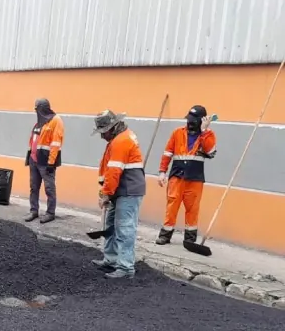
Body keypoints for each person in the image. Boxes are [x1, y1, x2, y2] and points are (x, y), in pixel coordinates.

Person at [90, 110, 146, 279]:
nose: (102, 136)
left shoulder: (121, 141)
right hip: (120, 190)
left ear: (112, 127)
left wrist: (105, 194)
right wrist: (107, 191)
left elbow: (114, 172)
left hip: (128, 191)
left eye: (104, 132)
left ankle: (126, 267)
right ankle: (111, 260)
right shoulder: (119, 138)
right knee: (111, 226)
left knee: (124, 228)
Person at [155, 105, 217, 245]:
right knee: (172, 207)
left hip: (195, 179)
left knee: (192, 209)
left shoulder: (208, 135)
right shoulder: (177, 133)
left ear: (202, 121)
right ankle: (165, 235)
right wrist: (162, 172)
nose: (190, 122)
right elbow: (167, 153)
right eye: (189, 119)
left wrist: (204, 131)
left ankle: (190, 239)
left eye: (193, 120)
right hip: (177, 176)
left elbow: (210, 152)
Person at [24, 98, 64, 224]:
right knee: (33, 187)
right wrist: (29, 157)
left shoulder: (56, 120)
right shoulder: (39, 123)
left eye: (38, 109)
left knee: (49, 188)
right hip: (34, 160)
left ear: (44, 108)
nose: (36, 111)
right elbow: (33, 140)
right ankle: (33, 211)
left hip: (46, 162)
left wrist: (51, 163)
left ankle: (50, 213)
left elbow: (56, 143)